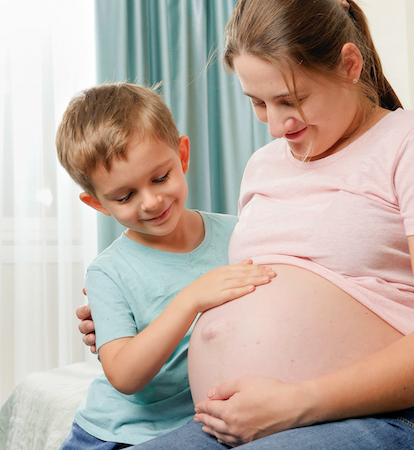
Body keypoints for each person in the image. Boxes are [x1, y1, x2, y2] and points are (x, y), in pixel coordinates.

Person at [79, 0, 414, 447]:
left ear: (350, 65)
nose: (275, 126)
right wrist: (129, 313)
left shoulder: (411, 143)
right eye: (257, 103)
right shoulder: (263, 165)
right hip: (230, 423)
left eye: (290, 101)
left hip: (401, 414)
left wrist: (297, 400)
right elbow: (244, 278)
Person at [55, 82, 275, 448]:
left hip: (198, 425)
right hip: (115, 435)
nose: (152, 201)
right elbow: (124, 375)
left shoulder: (239, 233)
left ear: (182, 155)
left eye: (160, 178)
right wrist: (191, 299)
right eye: (125, 196)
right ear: (98, 204)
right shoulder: (108, 273)